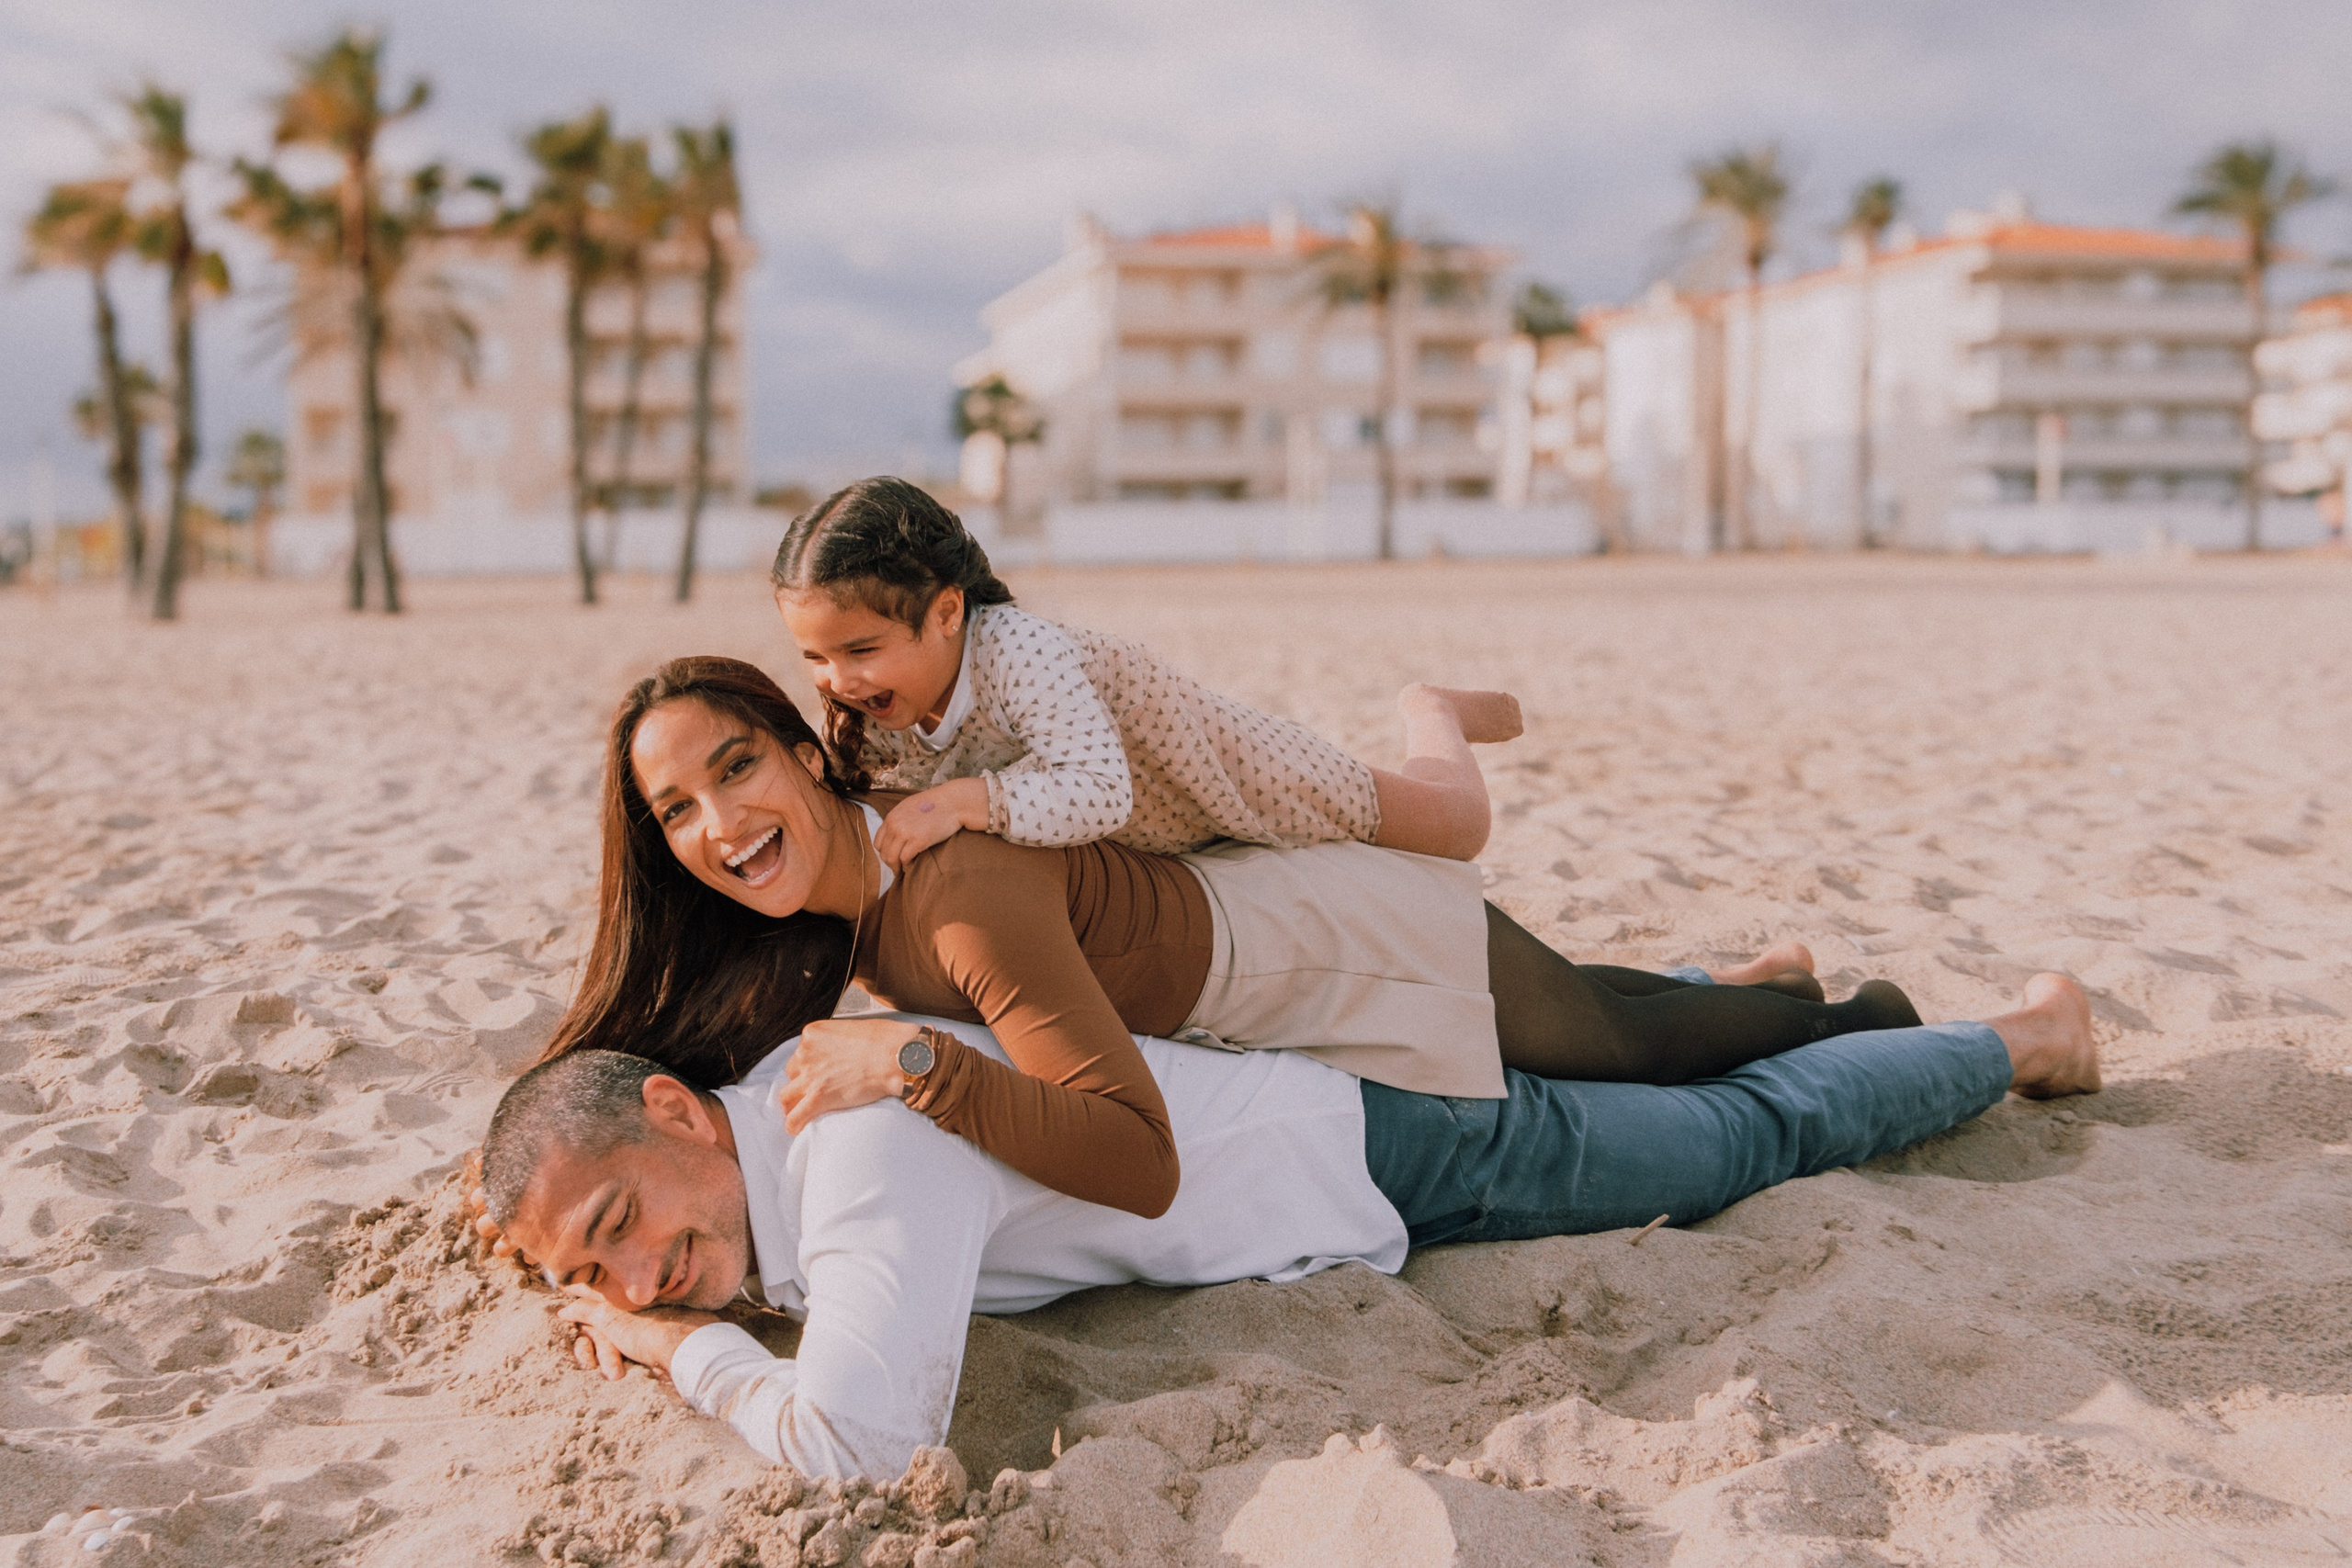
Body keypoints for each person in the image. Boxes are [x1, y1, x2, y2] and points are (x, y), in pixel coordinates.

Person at [478, 974, 2100, 1482]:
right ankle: (1762, 989)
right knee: (1674, 1101)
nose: (630, 1272)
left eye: (623, 1221)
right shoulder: (776, 1119)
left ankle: (2022, 1036)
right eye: (588, 1270)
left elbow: (855, 1436)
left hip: (1367, 1160)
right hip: (1302, 1113)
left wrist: (679, 1343)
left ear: (686, 1113)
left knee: (1744, 1142)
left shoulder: (851, 1152)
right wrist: (651, 1277)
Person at [531, 657, 1923, 1224]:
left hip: (1329, 942)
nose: (721, 822)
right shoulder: (832, 921)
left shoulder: (950, 894)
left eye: (737, 768)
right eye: (679, 810)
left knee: (1628, 1046)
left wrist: (916, 1065)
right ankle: (1764, 976)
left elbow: (1138, 1159)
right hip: (1259, 949)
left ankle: (1847, 1009)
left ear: (800, 749)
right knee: (1572, 1005)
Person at [774, 475, 1524, 869]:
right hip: (1153, 838)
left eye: (860, 651)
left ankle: (1432, 710)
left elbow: (1100, 790)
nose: (837, 679)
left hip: (1217, 765)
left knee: (1453, 827)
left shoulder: (1016, 651)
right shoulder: (866, 715)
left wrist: (965, 801)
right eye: (815, 657)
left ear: (944, 613)